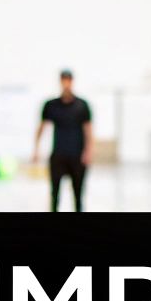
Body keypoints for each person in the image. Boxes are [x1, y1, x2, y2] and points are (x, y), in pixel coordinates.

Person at [33, 70, 94, 212]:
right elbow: (42, 128)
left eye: (68, 80)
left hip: (77, 156)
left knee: (78, 194)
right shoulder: (51, 105)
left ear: (72, 82)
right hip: (58, 155)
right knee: (54, 194)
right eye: (63, 80)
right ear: (60, 82)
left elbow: (88, 130)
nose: (66, 83)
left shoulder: (82, 106)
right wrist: (36, 149)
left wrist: (89, 151)